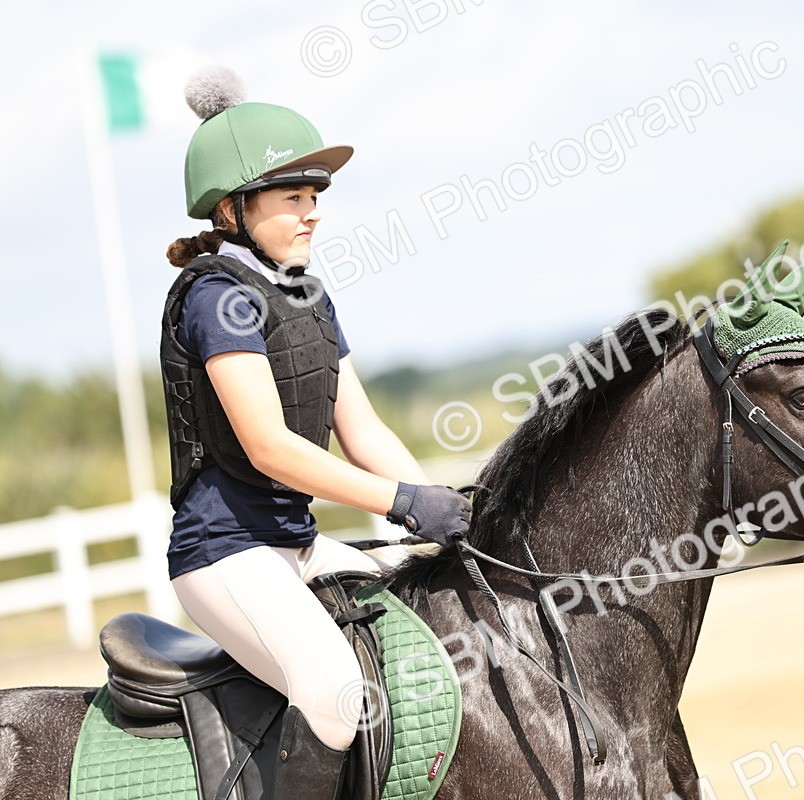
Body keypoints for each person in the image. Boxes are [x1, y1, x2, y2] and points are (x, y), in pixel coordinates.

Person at [159, 67, 471, 800]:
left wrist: (440, 503)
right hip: (224, 556)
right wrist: (400, 503)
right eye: (293, 197)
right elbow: (269, 446)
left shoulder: (307, 294)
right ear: (233, 209)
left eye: (315, 198)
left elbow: (361, 428)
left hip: (295, 547)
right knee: (334, 697)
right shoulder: (217, 298)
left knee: (424, 632)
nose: (312, 214)